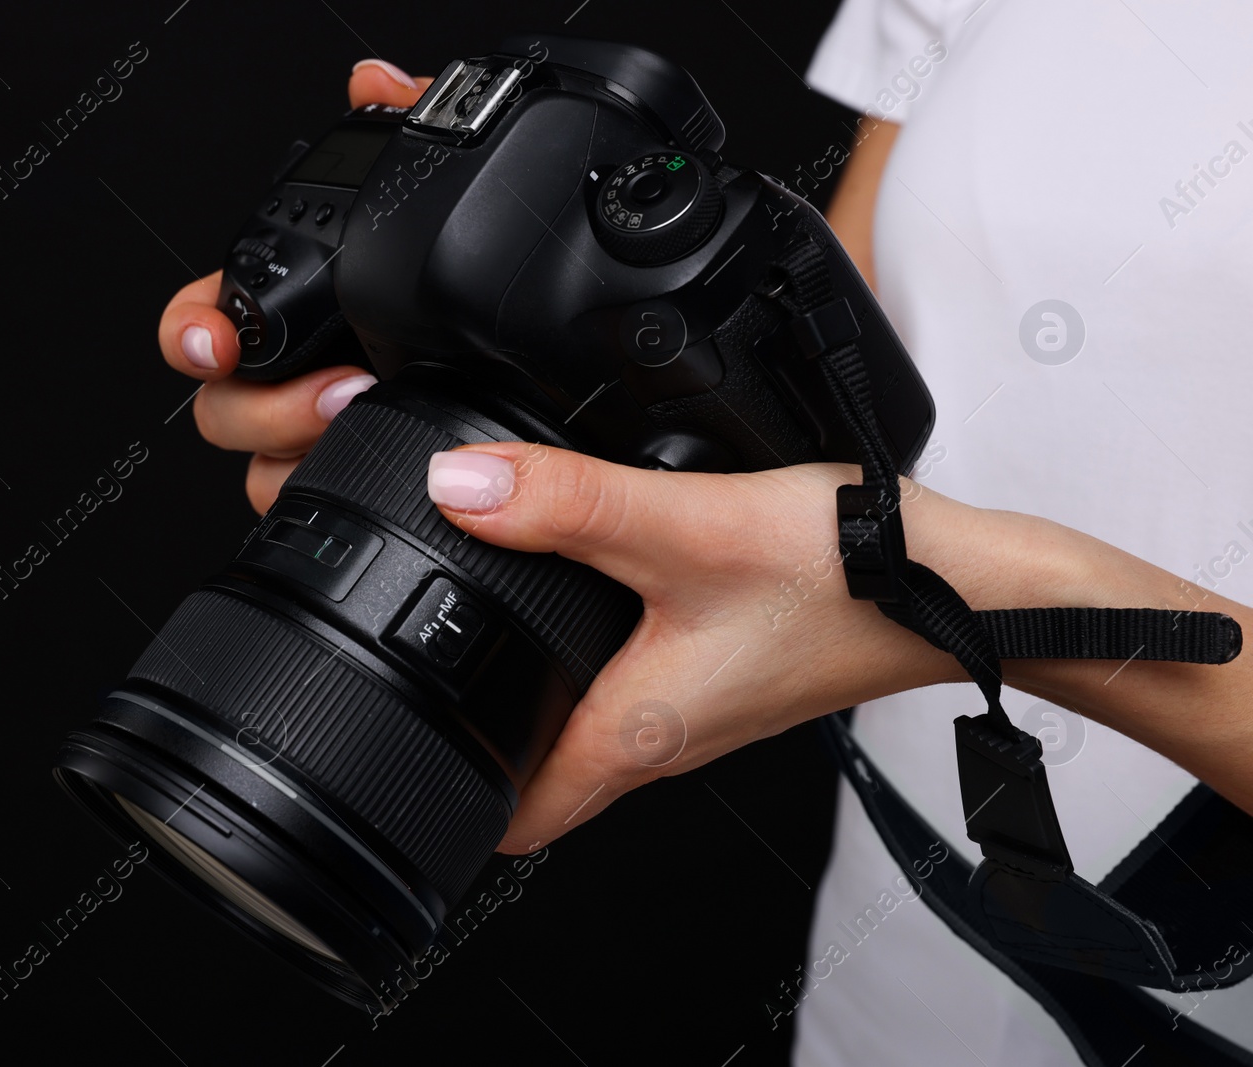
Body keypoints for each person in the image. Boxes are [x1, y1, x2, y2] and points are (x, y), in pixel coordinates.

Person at [160, 44, 1253, 1063]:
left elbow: (857, 502)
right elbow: (847, 352)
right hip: (898, 971)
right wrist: (428, 294)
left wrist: (942, 596)